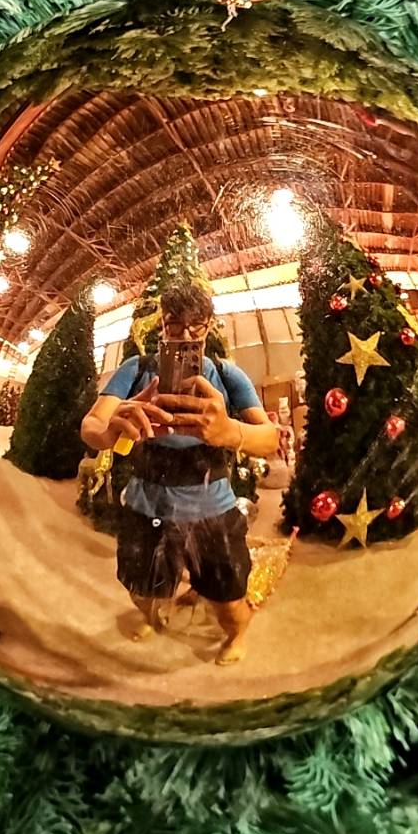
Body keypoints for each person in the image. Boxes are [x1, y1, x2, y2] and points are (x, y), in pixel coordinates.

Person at [80, 282, 279, 664]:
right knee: (142, 589)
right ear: (162, 323)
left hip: (211, 509)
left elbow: (269, 438)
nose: (185, 335)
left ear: (209, 326)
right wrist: (112, 429)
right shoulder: (136, 369)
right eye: (175, 324)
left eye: (196, 325)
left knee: (229, 602)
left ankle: (236, 636)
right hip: (146, 505)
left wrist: (229, 432)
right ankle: (152, 616)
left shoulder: (227, 375)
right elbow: (92, 425)